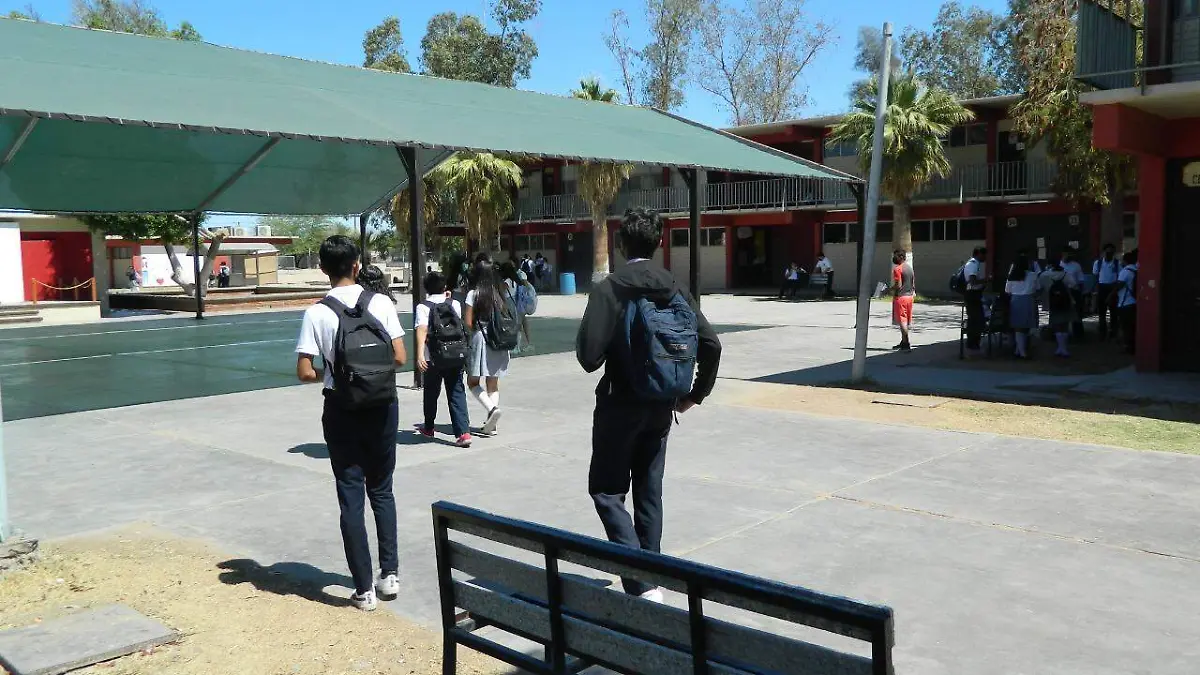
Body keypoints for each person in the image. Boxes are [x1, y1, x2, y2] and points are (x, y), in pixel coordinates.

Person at [576, 208, 722, 602]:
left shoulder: (610, 288)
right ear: (658, 243)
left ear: (621, 245)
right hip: (662, 404)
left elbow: (589, 358)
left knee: (607, 491)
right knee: (649, 490)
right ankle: (651, 577)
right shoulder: (674, 286)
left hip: (619, 403)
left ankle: (642, 583)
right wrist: (694, 394)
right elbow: (711, 344)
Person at [294, 235, 407, 612]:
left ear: (322, 269)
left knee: (350, 494)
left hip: (341, 408)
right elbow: (400, 357)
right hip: (382, 406)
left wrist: (336, 374)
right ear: (357, 265)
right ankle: (389, 575)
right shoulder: (380, 303)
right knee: (383, 490)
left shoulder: (316, 312)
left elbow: (304, 371)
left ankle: (363, 590)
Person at [415, 272, 471, 447]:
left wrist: (419, 355)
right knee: (456, 390)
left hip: (433, 356)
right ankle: (463, 433)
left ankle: (429, 427)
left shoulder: (423, 306)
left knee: (431, 392)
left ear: (426, 288)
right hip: (455, 354)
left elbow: (422, 330)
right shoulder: (454, 304)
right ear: (445, 286)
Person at [464, 264, 517, 436]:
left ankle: (492, 409)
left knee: (472, 382)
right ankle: (492, 424)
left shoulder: (473, 294)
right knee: (492, 383)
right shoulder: (499, 293)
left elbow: (468, 322)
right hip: (499, 339)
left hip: (481, 338)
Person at [1038, 255, 1078, 358]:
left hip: (1052, 302)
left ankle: (1060, 347)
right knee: (1065, 325)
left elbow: (1039, 287)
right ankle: (1064, 348)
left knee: (1056, 325)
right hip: (1066, 302)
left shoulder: (1044, 275)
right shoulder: (1065, 274)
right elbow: (1074, 285)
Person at [1005, 253, 1039, 359]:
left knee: (1018, 326)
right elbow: (1038, 288)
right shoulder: (1032, 275)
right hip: (1028, 300)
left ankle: (1019, 350)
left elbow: (1007, 291)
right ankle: (1022, 351)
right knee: (1026, 326)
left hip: (1015, 300)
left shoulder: (1011, 276)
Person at [1092, 243, 1122, 340]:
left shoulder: (1117, 263)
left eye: (1111, 252)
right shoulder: (1098, 263)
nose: (1109, 254)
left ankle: (1113, 332)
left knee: (1113, 312)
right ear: (1104, 252)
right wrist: (1096, 290)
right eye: (1107, 252)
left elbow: (1120, 278)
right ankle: (1102, 332)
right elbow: (1095, 276)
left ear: (1113, 253)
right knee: (1101, 313)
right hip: (1102, 288)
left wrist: (1115, 290)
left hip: (1112, 287)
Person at [963, 247, 988, 356]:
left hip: (975, 293)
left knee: (977, 319)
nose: (985, 257)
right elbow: (972, 281)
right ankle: (972, 343)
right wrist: (985, 280)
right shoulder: (972, 264)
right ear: (979, 254)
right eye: (984, 255)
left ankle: (975, 342)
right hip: (972, 294)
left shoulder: (976, 264)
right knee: (975, 319)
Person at [889, 250, 916, 351]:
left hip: (901, 298)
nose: (894, 258)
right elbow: (913, 284)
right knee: (906, 320)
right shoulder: (909, 268)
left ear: (901, 257)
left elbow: (898, 285)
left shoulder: (898, 269)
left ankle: (906, 343)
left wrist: (890, 289)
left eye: (895, 256)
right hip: (909, 297)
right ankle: (903, 341)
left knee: (902, 321)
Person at [1115, 250, 1138, 354]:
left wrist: (1110, 295)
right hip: (1135, 301)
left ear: (1125, 261)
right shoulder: (1137, 270)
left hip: (1125, 302)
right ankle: (1133, 345)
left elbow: (1119, 286)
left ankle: (1126, 346)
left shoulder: (1125, 271)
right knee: (1132, 326)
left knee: (1125, 326)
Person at [1060, 249, 1086, 339]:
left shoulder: (1076, 265)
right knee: (1062, 314)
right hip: (1062, 292)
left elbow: (1081, 280)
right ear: (1062, 254)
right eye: (1065, 254)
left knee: (1076, 313)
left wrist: (1080, 292)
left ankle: (1078, 334)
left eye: (1069, 254)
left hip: (1074, 290)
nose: (1067, 256)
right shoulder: (1058, 265)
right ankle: (1063, 334)